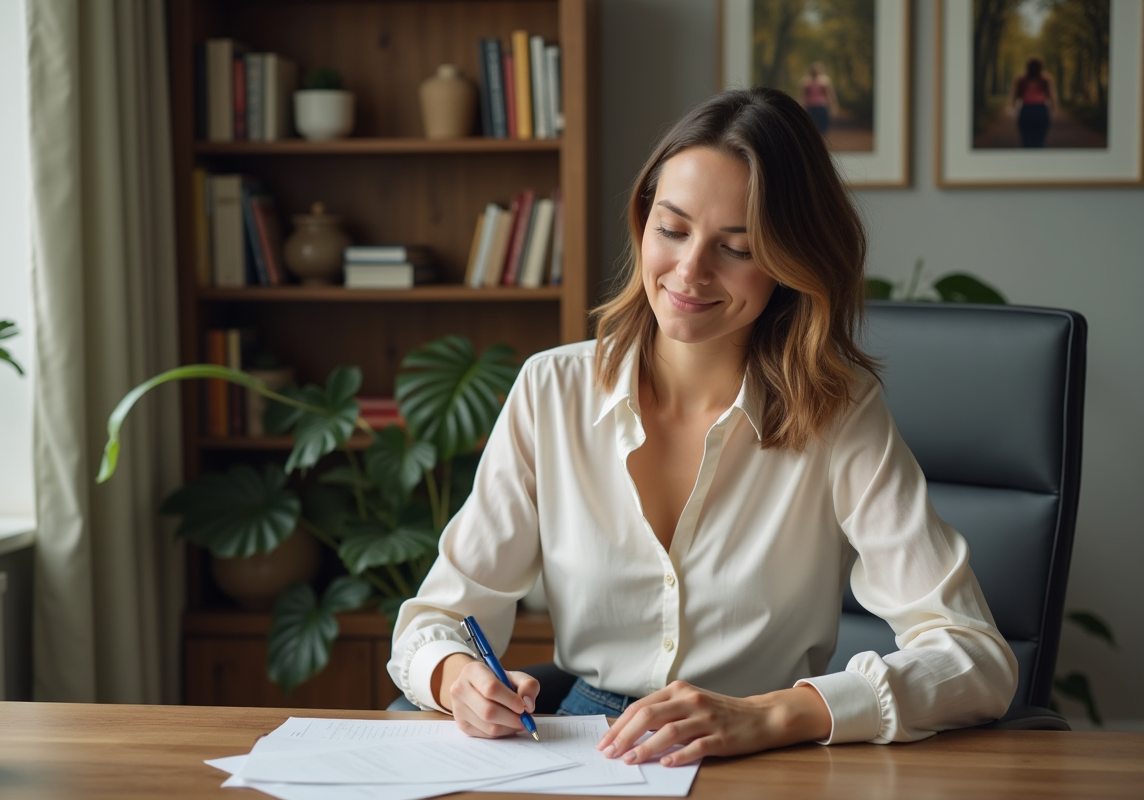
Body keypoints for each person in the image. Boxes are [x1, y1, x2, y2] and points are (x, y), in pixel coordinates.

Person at [388, 88, 1016, 766]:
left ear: (789, 263)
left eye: (737, 247)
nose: (690, 271)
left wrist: (775, 714)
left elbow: (974, 657)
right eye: (673, 228)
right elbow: (437, 619)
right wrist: (458, 678)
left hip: (768, 749)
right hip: (586, 752)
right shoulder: (553, 389)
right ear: (642, 220)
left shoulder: (840, 412)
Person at [1010, 56, 1055, 148]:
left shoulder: (1021, 79)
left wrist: (1013, 106)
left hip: (1027, 111)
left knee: (1026, 141)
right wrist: (1053, 108)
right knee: (1040, 141)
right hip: (1041, 111)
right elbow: (1051, 96)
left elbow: (1016, 95)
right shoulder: (1045, 80)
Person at [798, 62, 837, 135]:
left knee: (823, 128)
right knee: (811, 128)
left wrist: (833, 106)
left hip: (821, 107)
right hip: (811, 107)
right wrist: (800, 106)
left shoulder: (824, 82)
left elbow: (829, 96)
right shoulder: (806, 82)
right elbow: (802, 96)